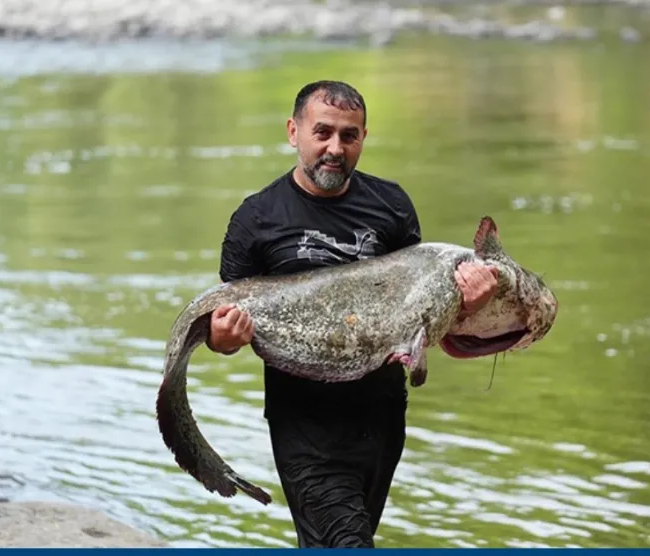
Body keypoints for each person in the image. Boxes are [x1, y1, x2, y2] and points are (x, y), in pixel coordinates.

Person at [204, 80, 499, 548]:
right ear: (293, 132)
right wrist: (225, 337)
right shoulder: (255, 219)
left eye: (349, 135)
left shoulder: (392, 206)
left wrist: (469, 303)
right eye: (322, 132)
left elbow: (421, 321)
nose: (334, 148)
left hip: (381, 418)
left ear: (363, 137)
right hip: (303, 425)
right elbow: (220, 336)